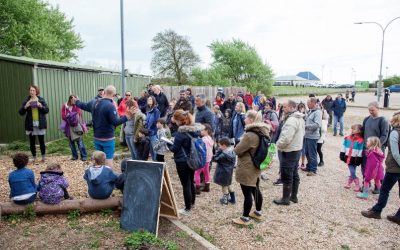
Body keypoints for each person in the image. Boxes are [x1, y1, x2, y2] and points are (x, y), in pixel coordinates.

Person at [75, 85, 134, 167]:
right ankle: (108, 178)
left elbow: (83, 105)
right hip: (108, 139)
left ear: (104, 92)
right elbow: (115, 122)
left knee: (98, 159)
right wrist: (127, 117)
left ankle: (97, 176)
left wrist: (77, 101)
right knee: (108, 159)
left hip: (97, 137)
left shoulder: (94, 102)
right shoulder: (110, 106)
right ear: (113, 95)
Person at [361, 111, 400, 224]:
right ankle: (398, 216)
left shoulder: (394, 133)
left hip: (395, 167)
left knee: (384, 190)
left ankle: (376, 211)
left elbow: (395, 153)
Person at [232, 110, 270, 225]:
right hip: (256, 166)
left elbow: (237, 150)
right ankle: (258, 212)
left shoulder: (249, 135)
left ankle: (245, 218)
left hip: (247, 167)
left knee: (247, 192)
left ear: (252, 120)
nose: (244, 120)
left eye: (246, 118)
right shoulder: (261, 133)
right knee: (255, 189)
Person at [167, 110, 204, 215]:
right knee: (190, 181)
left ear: (179, 121)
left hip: (182, 161)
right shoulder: (194, 131)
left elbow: (174, 149)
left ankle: (187, 208)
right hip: (192, 159)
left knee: (185, 185)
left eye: (175, 119)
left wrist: (168, 144)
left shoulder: (180, 134)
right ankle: (192, 202)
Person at [273, 100, 305, 206]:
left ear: (292, 107)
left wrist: (278, 145)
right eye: (282, 107)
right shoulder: (299, 118)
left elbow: (286, 138)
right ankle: (293, 196)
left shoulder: (292, 120)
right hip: (296, 149)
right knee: (294, 173)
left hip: (289, 150)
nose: (283, 109)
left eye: (285, 107)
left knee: (287, 175)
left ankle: (285, 199)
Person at [19, 85, 49, 163]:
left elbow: (47, 110)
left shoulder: (41, 100)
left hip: (40, 123)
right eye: (30, 90)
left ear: (36, 92)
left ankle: (43, 157)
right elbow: (20, 112)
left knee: (41, 141)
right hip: (30, 124)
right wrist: (25, 106)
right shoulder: (27, 101)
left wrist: (41, 106)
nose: (31, 92)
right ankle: (34, 157)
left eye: (33, 90)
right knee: (32, 142)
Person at [61, 95, 87, 161]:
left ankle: (84, 156)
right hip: (68, 127)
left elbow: (77, 115)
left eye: (75, 100)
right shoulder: (65, 106)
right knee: (71, 142)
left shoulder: (77, 106)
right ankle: (74, 156)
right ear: (70, 99)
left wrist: (69, 115)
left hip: (77, 126)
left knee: (80, 142)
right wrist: (70, 114)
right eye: (72, 99)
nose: (74, 101)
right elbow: (63, 116)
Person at [340, 124, 364, 191]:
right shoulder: (347, 138)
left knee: (352, 171)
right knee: (352, 171)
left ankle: (352, 182)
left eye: (354, 129)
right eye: (352, 129)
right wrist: (342, 153)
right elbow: (343, 146)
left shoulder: (360, 140)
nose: (352, 130)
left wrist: (359, 158)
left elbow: (360, 150)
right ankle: (355, 182)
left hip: (355, 158)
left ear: (359, 131)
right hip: (348, 157)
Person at [302, 97, 322, 176]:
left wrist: (305, 126)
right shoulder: (310, 111)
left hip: (312, 137)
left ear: (313, 103)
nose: (307, 104)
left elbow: (317, 125)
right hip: (307, 135)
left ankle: (313, 170)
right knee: (307, 152)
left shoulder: (317, 112)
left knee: (312, 153)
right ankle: (309, 167)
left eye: (308, 103)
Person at [214, 137, 236, 205]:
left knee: (224, 186)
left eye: (220, 146)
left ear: (224, 145)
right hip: (229, 172)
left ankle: (225, 200)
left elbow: (216, 159)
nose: (219, 147)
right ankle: (233, 199)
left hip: (223, 172)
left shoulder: (224, 154)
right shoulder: (232, 152)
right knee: (229, 184)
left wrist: (219, 151)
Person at [194, 124, 214, 194]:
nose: (201, 131)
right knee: (206, 172)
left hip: (203, 159)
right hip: (208, 159)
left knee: (197, 173)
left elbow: (200, 150)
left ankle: (197, 189)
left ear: (207, 131)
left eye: (202, 130)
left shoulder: (203, 140)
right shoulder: (210, 138)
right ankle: (207, 187)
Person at [145, 96, 161, 161]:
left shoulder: (156, 110)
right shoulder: (148, 110)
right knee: (151, 150)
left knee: (155, 150)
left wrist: (150, 129)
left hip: (153, 132)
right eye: (148, 99)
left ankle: (157, 165)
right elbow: (147, 121)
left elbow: (156, 121)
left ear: (154, 101)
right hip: (148, 132)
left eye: (151, 99)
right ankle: (154, 163)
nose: (149, 100)